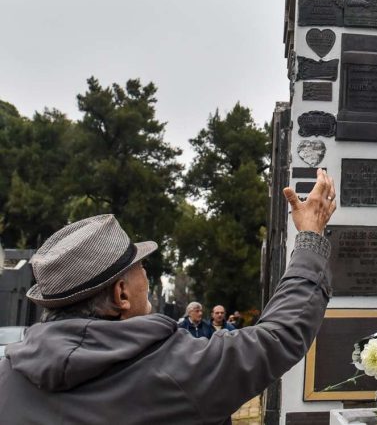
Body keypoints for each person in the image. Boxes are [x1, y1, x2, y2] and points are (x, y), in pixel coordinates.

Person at [0, 169, 337, 424]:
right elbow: (278, 337)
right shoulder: (176, 369)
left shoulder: (7, 378)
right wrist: (310, 238)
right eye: (140, 267)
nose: (146, 275)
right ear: (122, 294)